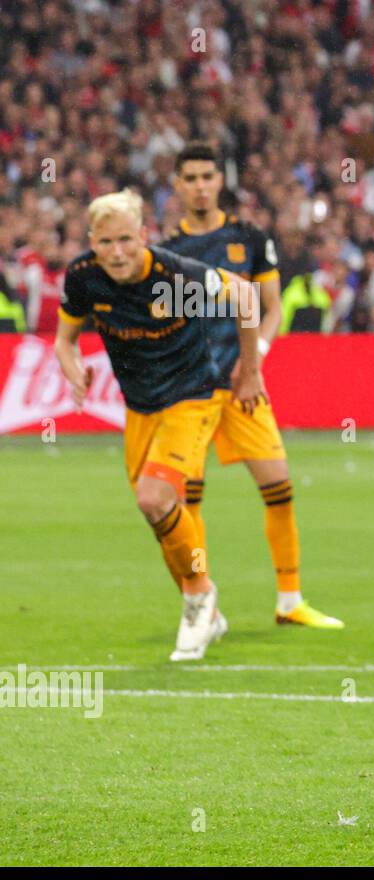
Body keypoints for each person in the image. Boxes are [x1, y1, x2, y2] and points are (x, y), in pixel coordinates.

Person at [54, 189, 264, 661]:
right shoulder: (85, 278)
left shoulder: (174, 278)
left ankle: (199, 597)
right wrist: (73, 369)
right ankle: (204, 610)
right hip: (141, 409)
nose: (118, 252)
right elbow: (64, 340)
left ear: (145, 236)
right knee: (160, 517)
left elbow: (246, 297)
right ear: (92, 242)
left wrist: (249, 369)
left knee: (154, 496)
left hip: (192, 399)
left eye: (126, 239)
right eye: (106, 242)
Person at [162, 142, 344, 630]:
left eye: (208, 176)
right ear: (177, 185)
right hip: (193, 392)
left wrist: (254, 361)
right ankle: (204, 607)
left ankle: (290, 601)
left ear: (220, 181)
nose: (201, 186)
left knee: (279, 485)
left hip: (244, 384)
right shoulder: (167, 253)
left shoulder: (249, 237)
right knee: (187, 503)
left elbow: (272, 308)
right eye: (191, 178)